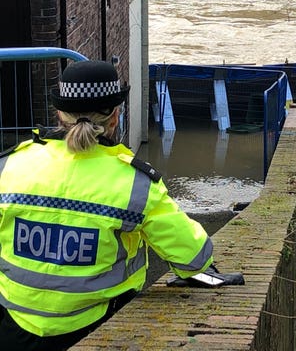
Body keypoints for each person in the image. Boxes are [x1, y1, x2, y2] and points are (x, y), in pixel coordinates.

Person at [0, 60, 214, 351]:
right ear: (115, 116)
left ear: (59, 114)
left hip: (13, 328)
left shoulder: (10, 165)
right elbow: (193, 257)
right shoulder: (136, 184)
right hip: (96, 328)